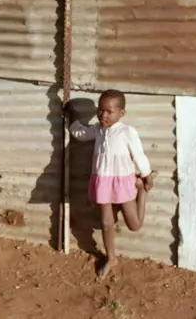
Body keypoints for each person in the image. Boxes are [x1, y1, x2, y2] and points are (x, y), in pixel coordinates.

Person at [67, 89, 156, 279]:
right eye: (100, 110)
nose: (103, 115)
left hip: (123, 182)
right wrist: (73, 118)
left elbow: (138, 155)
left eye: (109, 111)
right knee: (106, 223)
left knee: (134, 225)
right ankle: (111, 257)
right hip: (103, 183)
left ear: (121, 113)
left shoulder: (127, 131)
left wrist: (147, 175)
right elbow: (81, 134)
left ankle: (141, 192)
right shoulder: (98, 130)